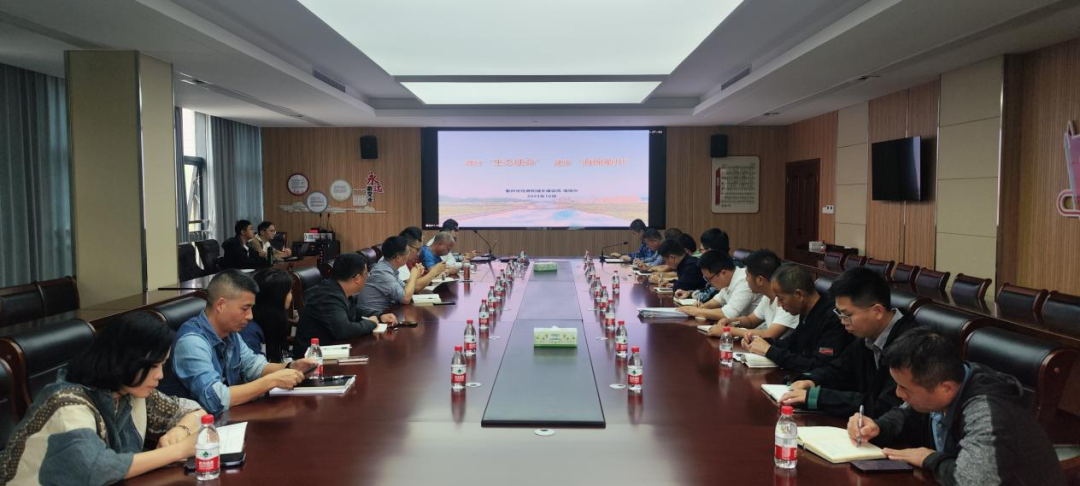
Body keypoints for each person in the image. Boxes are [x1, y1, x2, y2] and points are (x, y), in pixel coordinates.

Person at [0, 313, 207, 485]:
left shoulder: (128, 391)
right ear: (125, 360)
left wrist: (180, 431)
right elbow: (97, 469)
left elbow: (196, 412)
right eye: (153, 366)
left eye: (163, 364)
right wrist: (178, 450)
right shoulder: (67, 404)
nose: (160, 375)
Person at [847, 328, 1065, 485]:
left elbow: (972, 480)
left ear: (946, 388)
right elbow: (908, 413)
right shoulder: (948, 381)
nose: (898, 394)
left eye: (905, 388)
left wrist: (930, 458)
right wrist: (878, 427)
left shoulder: (987, 410)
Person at [158, 270, 317, 415]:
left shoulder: (230, 333)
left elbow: (254, 366)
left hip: (229, 418)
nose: (250, 316)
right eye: (245, 308)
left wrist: (291, 367)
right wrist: (272, 380)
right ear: (221, 305)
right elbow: (215, 400)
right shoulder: (192, 342)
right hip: (198, 428)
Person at [779, 267, 920, 417]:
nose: (842, 321)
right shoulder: (865, 338)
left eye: (847, 315)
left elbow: (883, 406)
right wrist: (811, 380)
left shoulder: (911, 346)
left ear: (877, 311)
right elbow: (838, 370)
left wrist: (817, 398)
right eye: (839, 313)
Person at [742, 264, 851, 373]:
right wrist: (759, 341)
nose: (778, 304)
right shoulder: (807, 310)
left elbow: (819, 364)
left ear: (799, 295)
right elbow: (792, 343)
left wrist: (770, 351)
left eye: (780, 298)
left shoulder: (833, 318)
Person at [295, 253, 399, 357]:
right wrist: (371, 323)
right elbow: (344, 330)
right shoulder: (328, 296)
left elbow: (355, 312)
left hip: (333, 349)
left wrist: (379, 316)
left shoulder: (338, 288)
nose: (368, 277)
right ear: (357, 278)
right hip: (314, 357)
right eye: (366, 274)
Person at [704, 249, 797, 340]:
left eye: (747, 276)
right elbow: (751, 321)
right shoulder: (767, 297)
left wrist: (727, 330)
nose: (746, 279)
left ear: (760, 280)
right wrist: (732, 322)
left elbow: (768, 335)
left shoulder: (786, 301)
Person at [675, 248, 760, 322]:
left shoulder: (745, 281)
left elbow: (728, 314)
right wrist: (703, 307)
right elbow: (718, 299)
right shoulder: (729, 280)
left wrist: (697, 312)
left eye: (709, 278)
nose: (708, 282)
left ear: (723, 273)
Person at [357, 236, 424, 315]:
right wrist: (413, 275)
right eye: (408, 252)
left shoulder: (389, 268)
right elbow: (405, 299)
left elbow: (405, 289)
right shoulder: (382, 272)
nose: (409, 255)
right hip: (373, 317)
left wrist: (416, 276)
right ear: (398, 258)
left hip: (387, 313)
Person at [244, 268, 294, 361]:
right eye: (290, 292)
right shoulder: (250, 330)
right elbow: (256, 368)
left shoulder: (272, 321)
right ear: (278, 297)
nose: (291, 296)